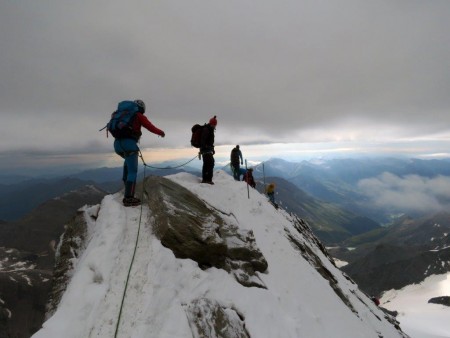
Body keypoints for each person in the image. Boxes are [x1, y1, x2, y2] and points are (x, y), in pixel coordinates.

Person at [114, 99, 165, 206]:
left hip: (117, 145)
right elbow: (149, 126)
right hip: (129, 145)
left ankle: (127, 189)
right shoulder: (138, 115)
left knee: (128, 162)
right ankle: (129, 198)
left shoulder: (119, 114)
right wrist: (160, 132)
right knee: (133, 171)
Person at [200, 115, 217, 184]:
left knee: (208, 163)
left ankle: (206, 179)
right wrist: (206, 147)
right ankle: (207, 180)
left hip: (207, 149)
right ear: (212, 124)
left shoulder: (210, 129)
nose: (215, 126)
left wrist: (212, 149)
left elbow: (210, 142)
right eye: (214, 124)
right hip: (205, 150)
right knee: (209, 163)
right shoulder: (207, 129)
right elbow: (203, 140)